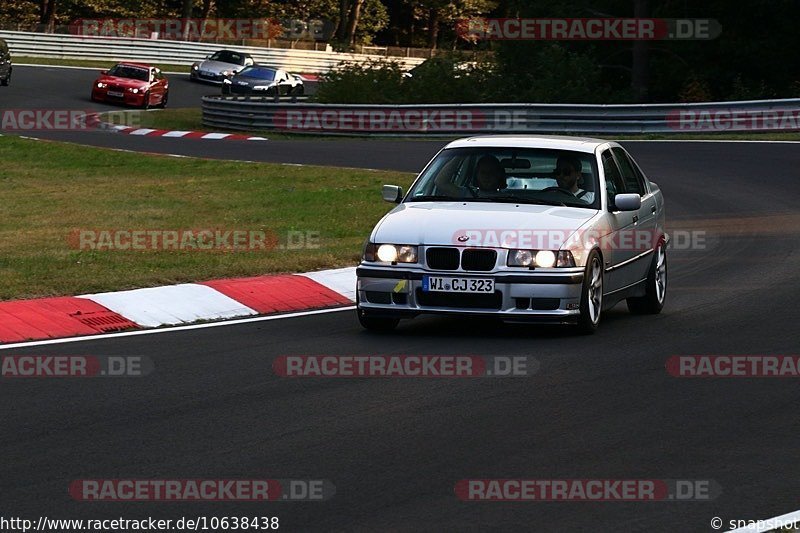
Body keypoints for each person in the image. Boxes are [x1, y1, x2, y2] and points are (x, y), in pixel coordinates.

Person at [434, 154, 506, 196]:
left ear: (499, 175)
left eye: (491, 172)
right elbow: (440, 182)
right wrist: (460, 155)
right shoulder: (466, 195)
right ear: (476, 175)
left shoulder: (508, 200)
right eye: (483, 172)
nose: (486, 176)